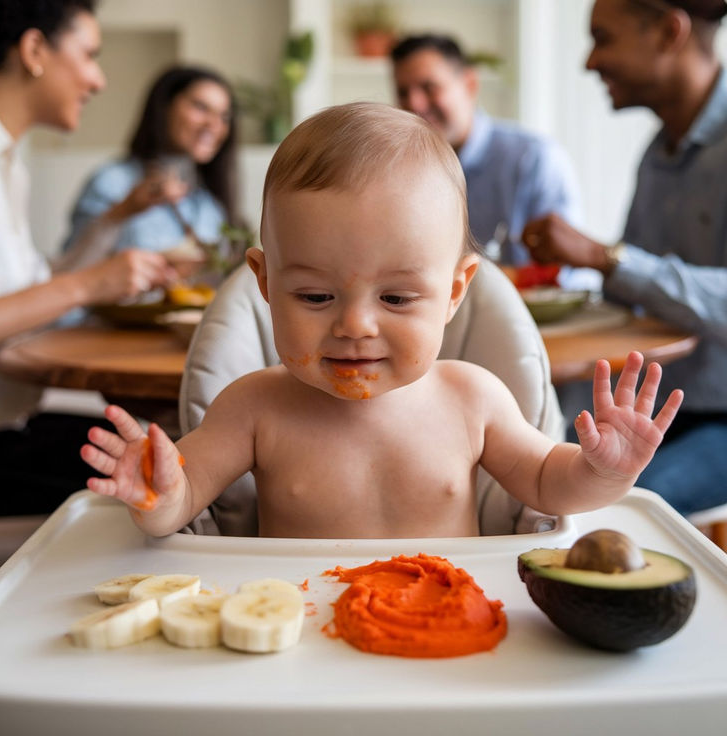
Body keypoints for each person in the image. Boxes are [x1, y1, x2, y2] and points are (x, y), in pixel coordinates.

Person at [80, 102, 682, 539]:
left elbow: (554, 486)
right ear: (265, 284)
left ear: (453, 293)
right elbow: (183, 504)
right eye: (315, 297)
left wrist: (602, 471)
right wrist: (155, 492)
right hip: (299, 637)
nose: (356, 326)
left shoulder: (474, 400)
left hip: (451, 635)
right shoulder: (252, 409)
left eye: (396, 299)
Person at [521, 0, 727, 516]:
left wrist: (602, 256)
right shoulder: (659, 153)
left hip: (717, 417)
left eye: (603, 38)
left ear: (669, 32)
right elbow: (627, 291)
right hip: (649, 408)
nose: (590, 62)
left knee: (599, 506)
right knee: (526, 481)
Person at [0, 0, 179, 514]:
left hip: (13, 422)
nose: (97, 80)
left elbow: (23, 287)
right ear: (34, 51)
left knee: (159, 457)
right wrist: (90, 285)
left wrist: (117, 219)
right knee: (153, 481)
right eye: (89, 55)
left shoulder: (10, 164)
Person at [390, 33, 593, 286]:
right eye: (403, 92)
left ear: (470, 84)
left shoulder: (533, 159)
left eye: (429, 88)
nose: (415, 103)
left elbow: (565, 274)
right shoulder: (398, 173)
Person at [60, 65, 240, 270]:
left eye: (224, 116)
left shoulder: (209, 204)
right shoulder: (112, 182)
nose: (214, 125)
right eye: (200, 107)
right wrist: (121, 212)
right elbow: (68, 274)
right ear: (164, 107)